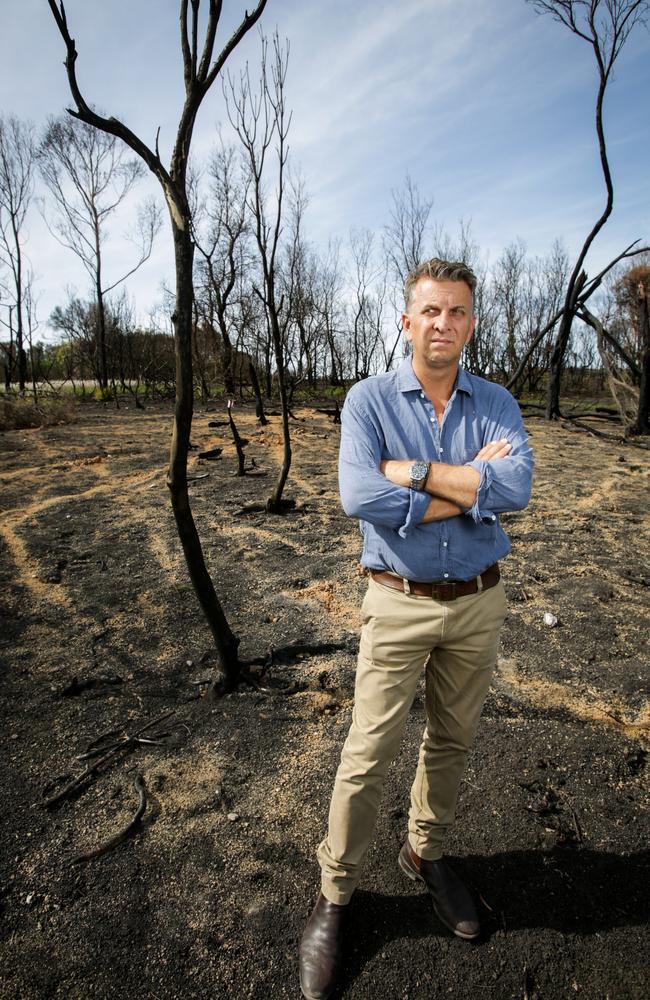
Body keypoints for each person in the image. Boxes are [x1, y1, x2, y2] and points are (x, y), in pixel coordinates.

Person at [299, 258, 534, 1000]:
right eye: (431, 311)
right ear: (407, 322)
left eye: (458, 312)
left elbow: (518, 486)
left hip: (477, 600)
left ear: (470, 322)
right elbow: (358, 494)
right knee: (368, 748)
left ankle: (423, 852)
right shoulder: (368, 400)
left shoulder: (495, 402)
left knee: (453, 740)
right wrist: (468, 484)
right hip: (396, 600)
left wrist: (418, 471)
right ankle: (336, 894)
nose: (444, 324)